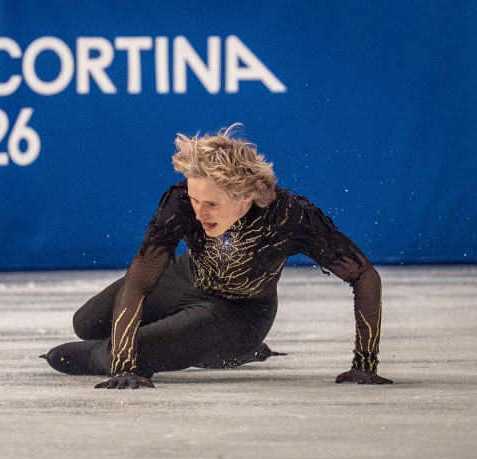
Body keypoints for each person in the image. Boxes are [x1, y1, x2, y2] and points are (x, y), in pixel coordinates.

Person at [41, 123, 393, 389]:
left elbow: (364, 275)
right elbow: (139, 278)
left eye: (211, 203)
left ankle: (230, 350)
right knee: (87, 323)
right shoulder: (182, 200)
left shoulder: (290, 217)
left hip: (240, 314)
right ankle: (192, 346)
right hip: (187, 277)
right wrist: (123, 364)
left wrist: (364, 363)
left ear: (247, 195)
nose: (199, 213)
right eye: (195, 199)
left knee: (88, 354)